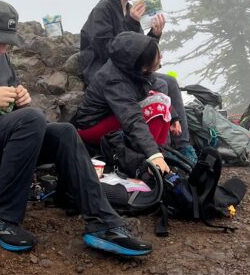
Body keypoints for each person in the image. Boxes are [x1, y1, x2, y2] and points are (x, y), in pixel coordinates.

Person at [0, 0, 152, 257]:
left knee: (62, 132)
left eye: (7, 41)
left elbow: (8, 115)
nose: (2, 47)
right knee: (31, 119)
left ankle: (104, 223)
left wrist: (18, 101)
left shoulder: (1, 58)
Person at [80, 0, 188, 137]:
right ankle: (160, 144)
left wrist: (154, 33)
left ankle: (183, 143)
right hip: (102, 71)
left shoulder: (131, 10)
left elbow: (141, 52)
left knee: (171, 82)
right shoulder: (103, 9)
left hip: (127, 71)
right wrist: (130, 22)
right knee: (160, 83)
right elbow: (108, 50)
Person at [74, 33, 179, 174]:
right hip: (92, 127)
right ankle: (148, 161)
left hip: (113, 116)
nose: (161, 57)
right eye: (157, 56)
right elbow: (132, 118)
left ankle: (160, 156)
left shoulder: (129, 66)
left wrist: (173, 117)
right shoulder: (114, 80)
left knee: (162, 100)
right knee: (156, 108)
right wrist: (153, 153)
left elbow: (151, 87)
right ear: (144, 67)